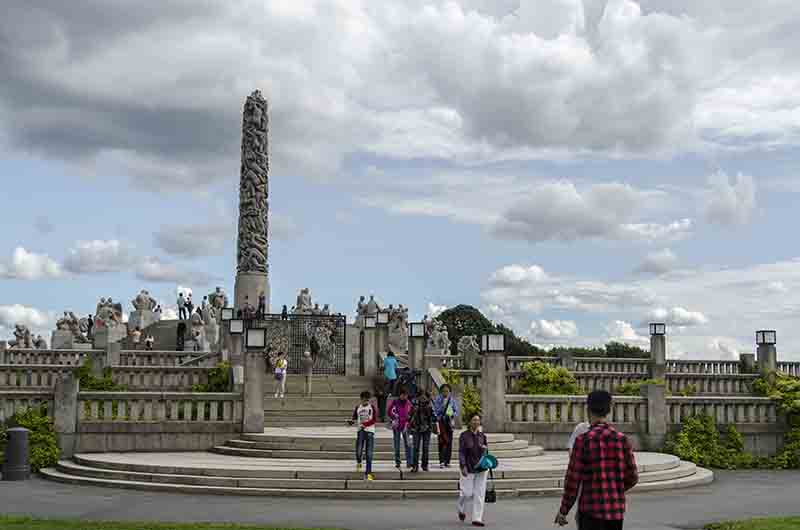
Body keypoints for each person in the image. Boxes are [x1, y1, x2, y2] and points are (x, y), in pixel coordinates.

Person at [555, 390, 639, 530]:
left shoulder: (583, 440)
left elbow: (573, 481)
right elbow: (633, 477)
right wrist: (615, 490)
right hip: (615, 511)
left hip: (590, 511)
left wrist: (564, 511)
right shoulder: (622, 440)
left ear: (588, 409)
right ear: (609, 409)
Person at [458, 414, 489, 527]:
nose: (476, 422)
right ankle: (461, 508)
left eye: (478, 420)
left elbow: (486, 452)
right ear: (469, 422)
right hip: (468, 467)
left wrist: (485, 450)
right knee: (467, 493)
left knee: (480, 494)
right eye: (474, 420)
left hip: (481, 468)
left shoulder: (482, 436)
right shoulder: (464, 436)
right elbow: (461, 452)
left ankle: (477, 518)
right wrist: (463, 466)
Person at [349, 390, 378, 481]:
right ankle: (359, 461)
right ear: (361, 399)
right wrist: (351, 422)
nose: (366, 402)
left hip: (370, 431)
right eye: (364, 400)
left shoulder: (371, 407)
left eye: (367, 400)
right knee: (358, 450)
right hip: (360, 431)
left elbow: (374, 420)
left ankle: (368, 473)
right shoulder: (358, 407)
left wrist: (365, 424)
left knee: (369, 453)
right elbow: (354, 418)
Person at [410, 390, 436, 472]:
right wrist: (414, 411)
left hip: (427, 429)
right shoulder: (414, 405)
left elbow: (434, 417)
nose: (423, 398)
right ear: (418, 397)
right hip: (416, 428)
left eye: (424, 397)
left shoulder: (430, 406)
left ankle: (425, 465)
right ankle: (415, 466)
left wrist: (429, 423)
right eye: (421, 396)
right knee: (416, 447)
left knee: (425, 447)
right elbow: (410, 415)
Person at [433, 383, 459, 468]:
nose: (445, 393)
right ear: (441, 392)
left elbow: (456, 411)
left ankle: (447, 461)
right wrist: (443, 407)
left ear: (450, 392)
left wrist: (451, 414)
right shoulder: (438, 399)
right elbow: (435, 410)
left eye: (447, 391)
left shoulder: (452, 400)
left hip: (449, 423)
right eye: (444, 391)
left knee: (449, 442)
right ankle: (441, 461)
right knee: (441, 442)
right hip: (441, 423)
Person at [388, 387, 413, 469]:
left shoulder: (409, 403)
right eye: (403, 395)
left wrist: (409, 421)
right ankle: (398, 461)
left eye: (406, 395)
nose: (405, 397)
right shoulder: (395, 402)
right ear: (400, 395)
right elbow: (389, 411)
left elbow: (411, 413)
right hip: (397, 426)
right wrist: (394, 417)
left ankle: (409, 462)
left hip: (406, 426)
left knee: (408, 444)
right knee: (397, 444)